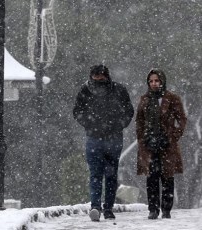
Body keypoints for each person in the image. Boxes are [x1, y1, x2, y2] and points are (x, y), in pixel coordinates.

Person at [73, 65, 134, 221]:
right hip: (95, 138)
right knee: (98, 174)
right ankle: (96, 206)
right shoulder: (85, 91)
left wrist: (118, 125)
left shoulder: (119, 90)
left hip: (112, 138)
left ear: (106, 76)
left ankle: (107, 207)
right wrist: (90, 124)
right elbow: (77, 111)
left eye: (101, 76)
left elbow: (129, 111)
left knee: (109, 175)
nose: (99, 79)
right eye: (96, 76)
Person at [136, 68, 187, 219]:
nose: (154, 84)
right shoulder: (144, 99)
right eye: (151, 81)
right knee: (151, 177)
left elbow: (182, 120)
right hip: (149, 145)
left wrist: (173, 136)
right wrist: (143, 138)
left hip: (167, 145)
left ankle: (166, 210)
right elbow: (139, 121)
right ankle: (153, 209)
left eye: (156, 80)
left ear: (162, 81)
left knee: (167, 177)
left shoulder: (172, 98)